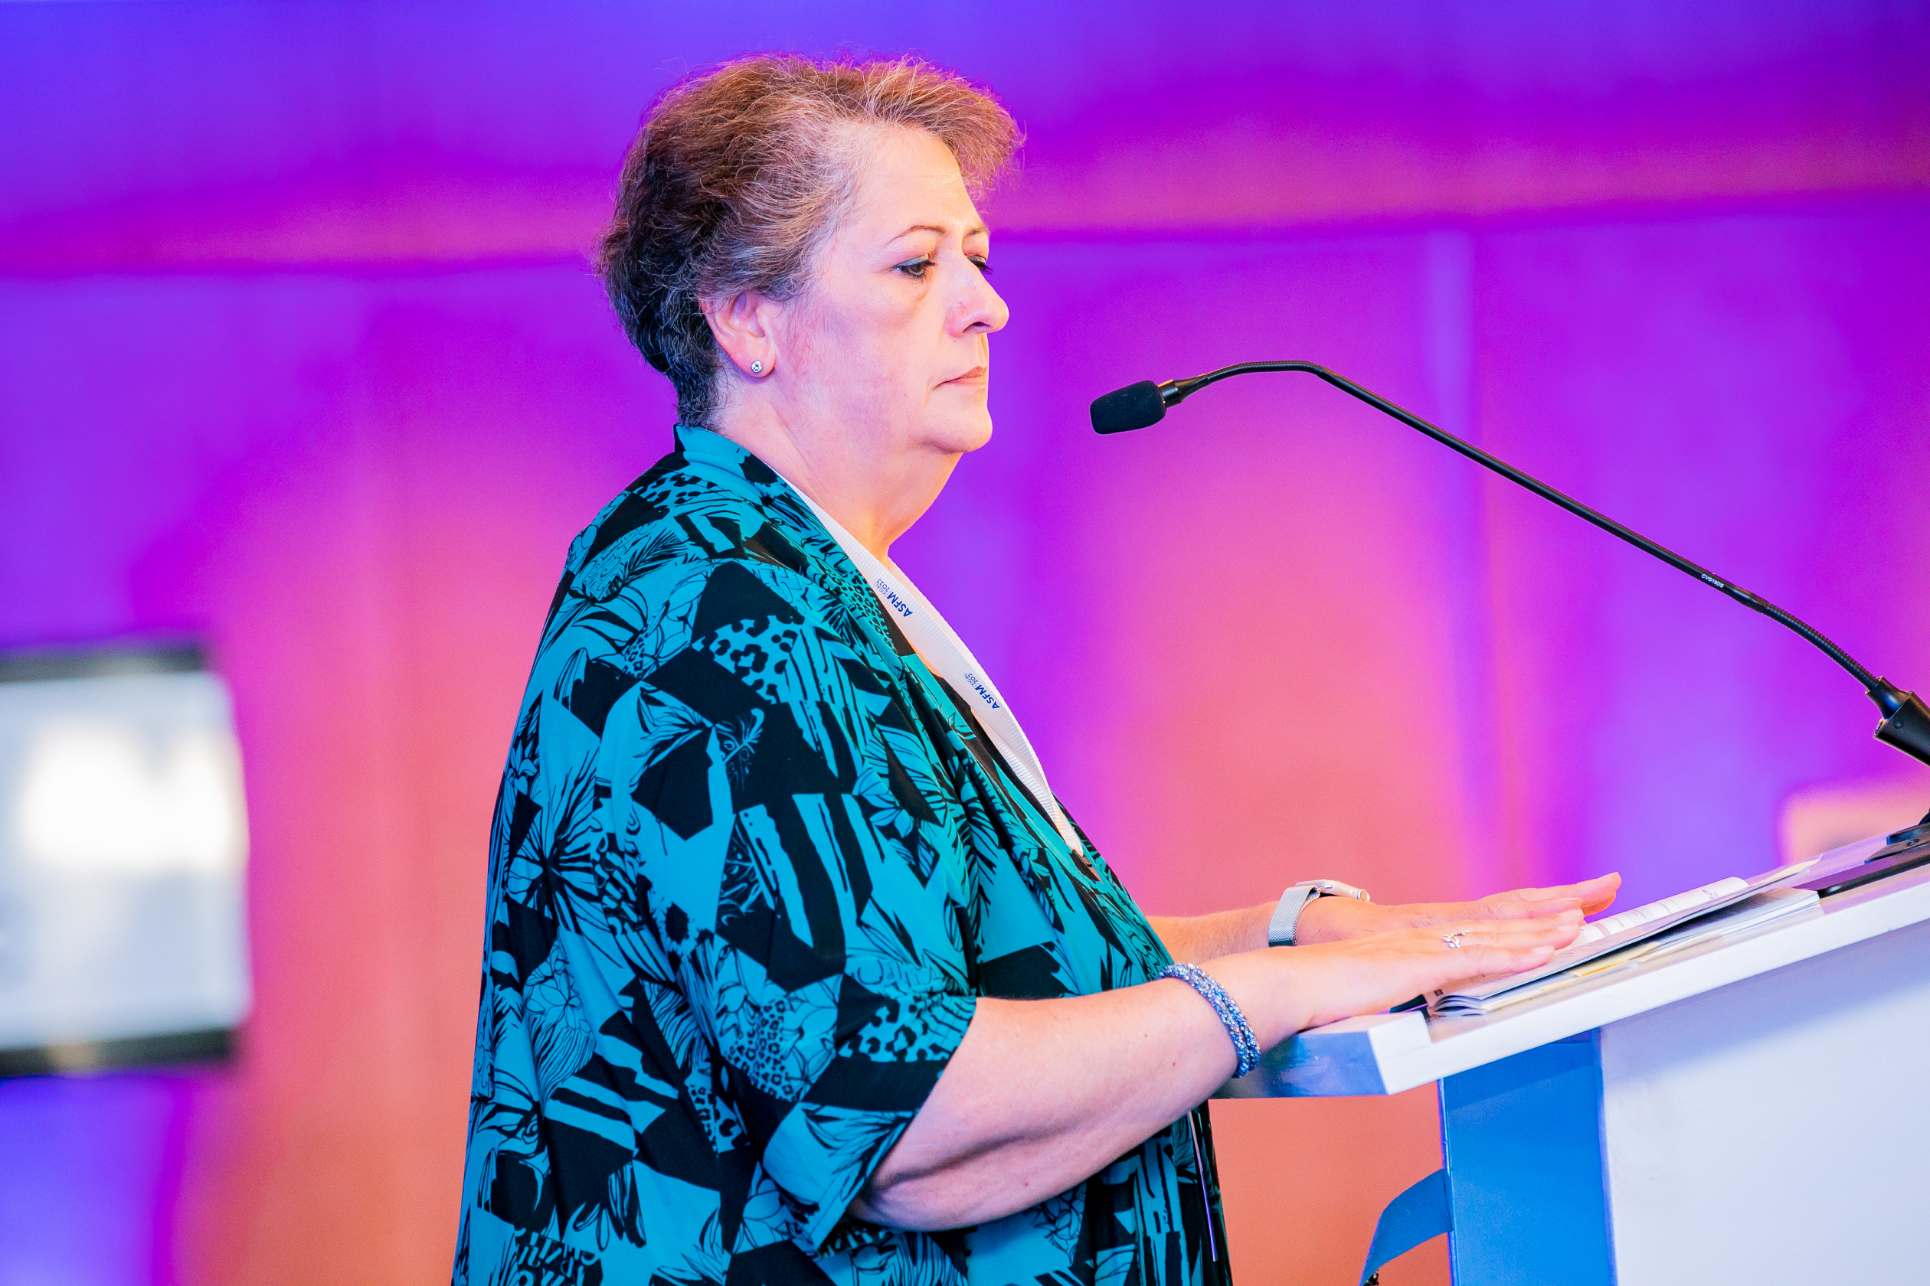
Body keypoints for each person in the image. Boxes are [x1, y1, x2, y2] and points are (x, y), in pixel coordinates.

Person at [450, 52, 1620, 1285]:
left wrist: (1293, 937)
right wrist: (1282, 993)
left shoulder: (784, 572)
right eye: (915, 266)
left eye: (977, 258)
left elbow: (977, 972)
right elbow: (903, 1115)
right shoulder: (712, 609)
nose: (984, 306)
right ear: (747, 318)